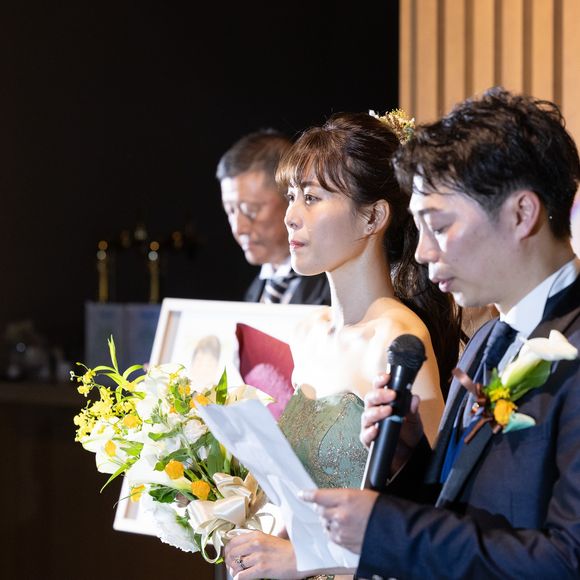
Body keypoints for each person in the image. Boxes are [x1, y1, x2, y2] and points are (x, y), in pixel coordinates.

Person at [302, 87, 580, 579]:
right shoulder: (486, 344)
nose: (423, 252)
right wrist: (410, 452)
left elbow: (567, 559)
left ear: (522, 213)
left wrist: (388, 530)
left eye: (441, 226)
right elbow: (458, 511)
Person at [224, 111, 462, 579]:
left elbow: (430, 517)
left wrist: (300, 561)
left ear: (373, 216)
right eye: (291, 197)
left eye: (312, 198)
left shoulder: (398, 337)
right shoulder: (308, 332)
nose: (290, 216)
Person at [216, 129, 331, 305]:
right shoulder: (254, 292)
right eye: (230, 211)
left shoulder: (333, 285)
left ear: (290, 198)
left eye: (250, 210)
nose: (239, 228)